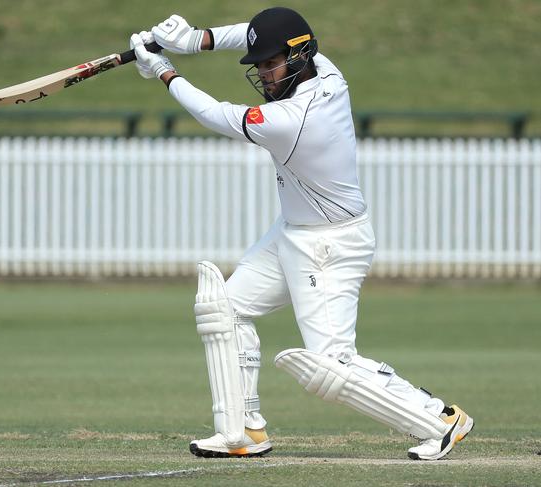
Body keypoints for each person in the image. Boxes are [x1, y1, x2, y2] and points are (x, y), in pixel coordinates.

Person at [130, 7, 474, 461]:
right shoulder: (328, 70)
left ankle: (439, 419)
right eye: (261, 65)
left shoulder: (293, 119)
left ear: (299, 57)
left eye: (272, 65)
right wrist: (196, 39)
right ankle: (243, 431)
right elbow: (259, 34)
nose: (265, 74)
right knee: (224, 310)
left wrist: (164, 70)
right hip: (294, 231)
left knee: (331, 367)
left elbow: (215, 114)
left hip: (330, 246)